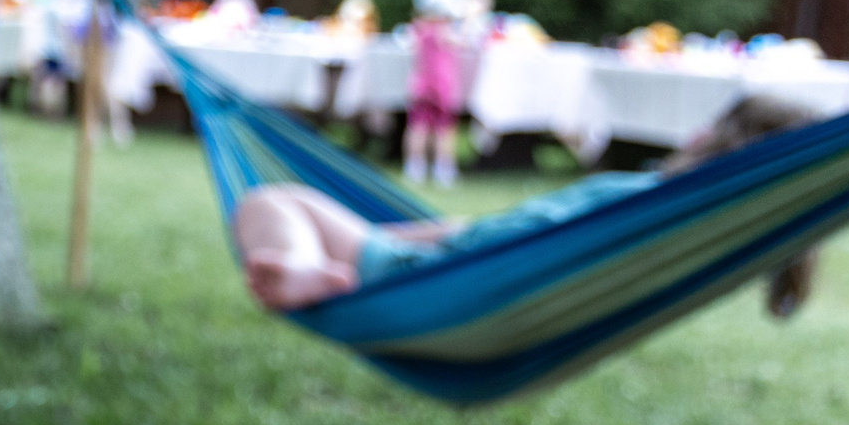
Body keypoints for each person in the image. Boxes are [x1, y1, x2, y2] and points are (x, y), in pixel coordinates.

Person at [235, 96, 818, 311]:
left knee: (271, 201)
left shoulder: (635, 195)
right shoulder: (691, 233)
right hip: (484, 275)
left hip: (435, 278)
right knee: (396, 229)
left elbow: (493, 235)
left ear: (699, 140)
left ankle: (302, 268)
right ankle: (311, 265)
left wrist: (409, 240)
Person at [404, 0, 467, 187]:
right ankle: (444, 168)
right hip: (442, 86)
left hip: (420, 84)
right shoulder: (446, 29)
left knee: (418, 126)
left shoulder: (418, 28)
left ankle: (415, 166)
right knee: (445, 129)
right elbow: (464, 43)